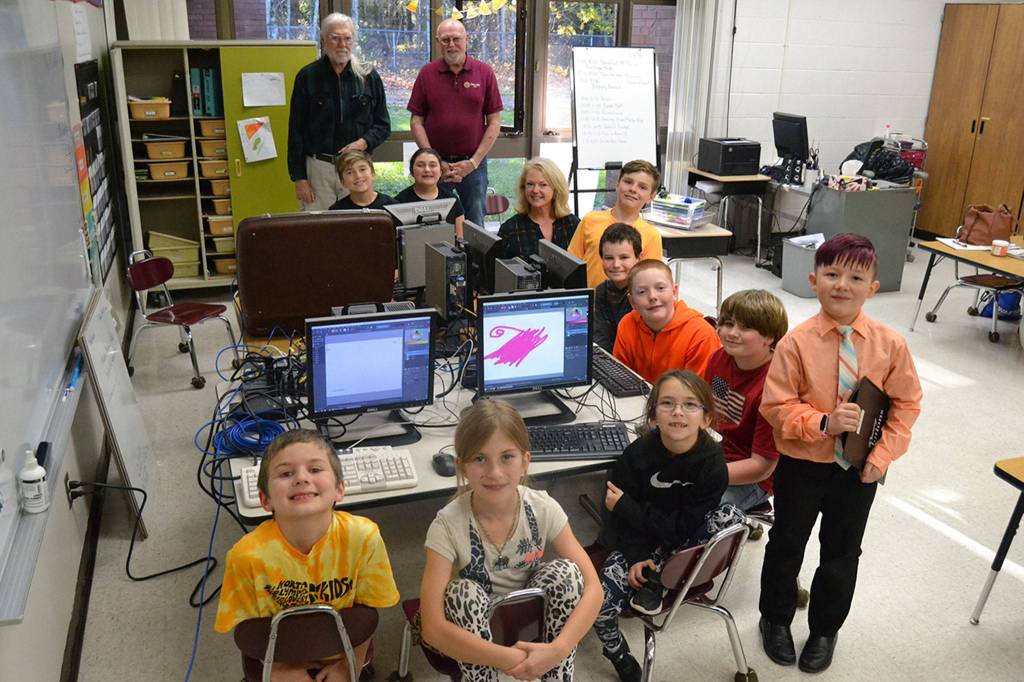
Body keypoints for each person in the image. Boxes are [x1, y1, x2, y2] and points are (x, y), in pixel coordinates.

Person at [758, 234, 922, 674]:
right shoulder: (795, 344)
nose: (842, 285)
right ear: (814, 280)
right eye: (831, 274)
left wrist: (882, 456)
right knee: (787, 542)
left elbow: (907, 404)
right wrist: (823, 423)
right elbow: (775, 406)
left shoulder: (890, 345)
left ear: (873, 287)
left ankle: (825, 628)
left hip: (857, 470)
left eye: (855, 277)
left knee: (843, 551)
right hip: (802, 464)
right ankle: (774, 618)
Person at [419, 399, 602, 682]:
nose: (495, 472)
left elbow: (594, 588)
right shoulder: (447, 524)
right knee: (461, 593)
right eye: (480, 458)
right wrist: (510, 659)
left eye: (507, 457)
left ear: (525, 461)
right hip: (476, 631)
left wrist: (557, 650)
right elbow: (432, 628)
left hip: (531, 615)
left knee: (568, 573)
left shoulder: (543, 507)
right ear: (462, 466)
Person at [593, 370, 744, 682]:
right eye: (668, 403)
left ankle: (660, 577)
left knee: (731, 515)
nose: (678, 411)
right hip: (643, 541)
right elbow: (616, 517)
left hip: (685, 540)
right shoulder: (636, 454)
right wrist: (635, 556)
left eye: (690, 404)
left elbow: (682, 527)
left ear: (706, 418)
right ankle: (618, 653)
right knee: (598, 602)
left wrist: (628, 507)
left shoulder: (713, 464)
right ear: (653, 415)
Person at [215, 429, 400, 681]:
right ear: (264, 499)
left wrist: (351, 663)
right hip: (279, 659)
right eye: (285, 473)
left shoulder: (364, 537)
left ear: (340, 489)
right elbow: (250, 631)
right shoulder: (246, 555)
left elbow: (366, 614)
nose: (301, 478)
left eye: (315, 470)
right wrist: (278, 669)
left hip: (342, 654)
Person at [288, 13, 391, 211]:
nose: (342, 44)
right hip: (319, 169)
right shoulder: (307, 76)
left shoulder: (368, 76)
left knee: (356, 228)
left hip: (356, 169)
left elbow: (383, 125)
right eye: (335, 38)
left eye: (347, 38)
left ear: (354, 40)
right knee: (318, 228)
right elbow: (296, 132)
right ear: (324, 39)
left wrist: (363, 142)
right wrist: (299, 178)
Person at [407, 19, 503, 229]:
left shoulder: (484, 73)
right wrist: (434, 160)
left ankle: (475, 262)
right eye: (446, 40)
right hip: (436, 166)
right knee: (436, 222)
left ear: (467, 40)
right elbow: (416, 121)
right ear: (438, 42)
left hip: (473, 165)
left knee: (475, 222)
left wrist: (474, 162)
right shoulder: (427, 74)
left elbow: (494, 122)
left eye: (456, 39)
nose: (451, 44)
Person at [702, 289, 789, 513]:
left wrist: (703, 475)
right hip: (714, 451)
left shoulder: (774, 388)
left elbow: (762, 467)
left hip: (752, 476)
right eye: (728, 323)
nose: (732, 333)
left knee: (691, 507)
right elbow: (703, 409)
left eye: (745, 327)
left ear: (770, 337)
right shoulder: (719, 358)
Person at [613, 260, 721, 383]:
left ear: (674, 292)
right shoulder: (627, 324)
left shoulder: (701, 335)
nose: (652, 297)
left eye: (660, 288)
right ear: (632, 302)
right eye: (642, 292)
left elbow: (696, 394)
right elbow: (620, 376)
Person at [567, 159, 663, 288]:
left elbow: (651, 280)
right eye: (628, 182)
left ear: (652, 196)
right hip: (587, 302)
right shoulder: (590, 220)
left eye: (642, 187)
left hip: (627, 305)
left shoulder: (651, 235)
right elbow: (571, 264)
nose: (633, 189)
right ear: (617, 184)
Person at [499, 157, 580, 260]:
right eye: (530, 184)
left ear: (556, 188)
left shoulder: (573, 224)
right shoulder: (510, 229)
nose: (535, 190)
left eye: (543, 185)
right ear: (523, 188)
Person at [393, 147, 465, 238]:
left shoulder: (452, 199)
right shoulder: (399, 202)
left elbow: (460, 238)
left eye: (432, 165)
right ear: (412, 171)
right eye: (420, 165)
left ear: (440, 172)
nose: (427, 170)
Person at [593, 223, 641, 352]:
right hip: (613, 361)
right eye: (608, 258)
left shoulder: (644, 292)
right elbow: (600, 337)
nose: (616, 264)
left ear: (638, 258)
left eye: (624, 257)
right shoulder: (602, 291)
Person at [328, 150, 396, 211]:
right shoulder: (336, 211)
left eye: (362, 169)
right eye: (349, 172)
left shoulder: (392, 207)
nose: (358, 176)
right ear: (342, 182)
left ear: (373, 174)